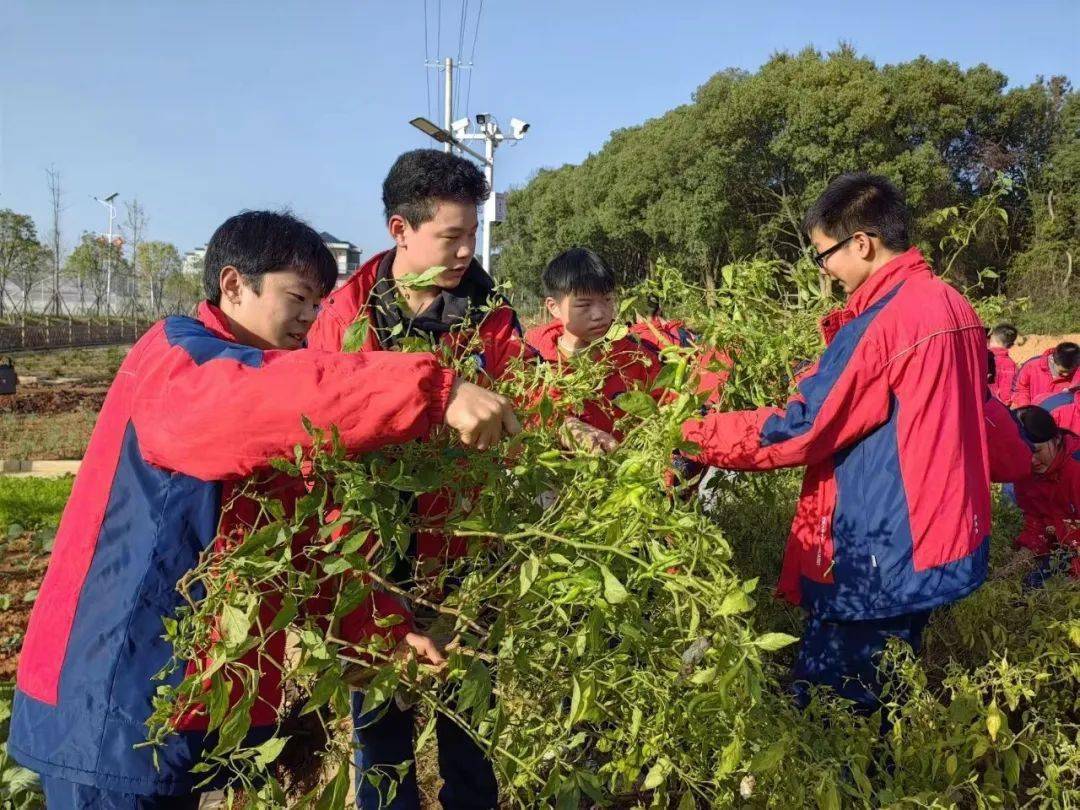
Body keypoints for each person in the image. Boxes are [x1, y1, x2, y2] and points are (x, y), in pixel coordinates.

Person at [8, 211, 518, 809]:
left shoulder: (262, 397)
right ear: (233, 286)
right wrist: (436, 390)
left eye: (319, 302)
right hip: (113, 698)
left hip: (185, 703)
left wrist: (383, 635)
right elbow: (261, 395)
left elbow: (302, 543)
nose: (311, 317)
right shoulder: (180, 361)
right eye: (297, 297)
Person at [682, 173, 990, 713]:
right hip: (933, 535)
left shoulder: (886, 320)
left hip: (881, 548)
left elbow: (804, 426)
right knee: (890, 692)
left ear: (862, 244)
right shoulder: (951, 303)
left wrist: (689, 436)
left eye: (823, 255)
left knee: (837, 712)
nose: (824, 270)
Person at [306, 150, 524, 810]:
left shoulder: (490, 315)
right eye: (450, 236)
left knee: (470, 730)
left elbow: (522, 406)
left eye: (472, 234)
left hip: (463, 554)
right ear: (400, 230)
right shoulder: (347, 317)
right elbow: (322, 435)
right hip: (374, 561)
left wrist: (555, 426)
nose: (464, 251)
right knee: (381, 738)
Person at [525, 248, 661, 452]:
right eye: (584, 305)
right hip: (554, 481)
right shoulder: (530, 358)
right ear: (554, 307)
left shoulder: (637, 357)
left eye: (607, 300)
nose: (599, 314)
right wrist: (563, 427)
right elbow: (523, 415)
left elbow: (666, 414)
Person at [1011, 407, 1080, 584]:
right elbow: (1035, 519)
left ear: (1056, 439)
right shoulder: (1025, 473)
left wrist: (1072, 576)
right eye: (1025, 451)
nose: (1032, 460)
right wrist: (1022, 558)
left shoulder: (1075, 468)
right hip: (1066, 547)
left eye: (1037, 451)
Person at [1012, 341, 1079, 407]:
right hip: (1033, 413)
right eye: (1062, 371)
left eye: (1070, 371)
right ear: (1052, 360)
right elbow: (1021, 389)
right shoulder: (1032, 366)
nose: (1066, 375)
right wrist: (1026, 407)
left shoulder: (1077, 374)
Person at [987, 323, 1019, 404]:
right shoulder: (1011, 365)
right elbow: (1008, 392)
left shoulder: (983, 358)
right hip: (999, 407)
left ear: (993, 340)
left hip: (982, 403)